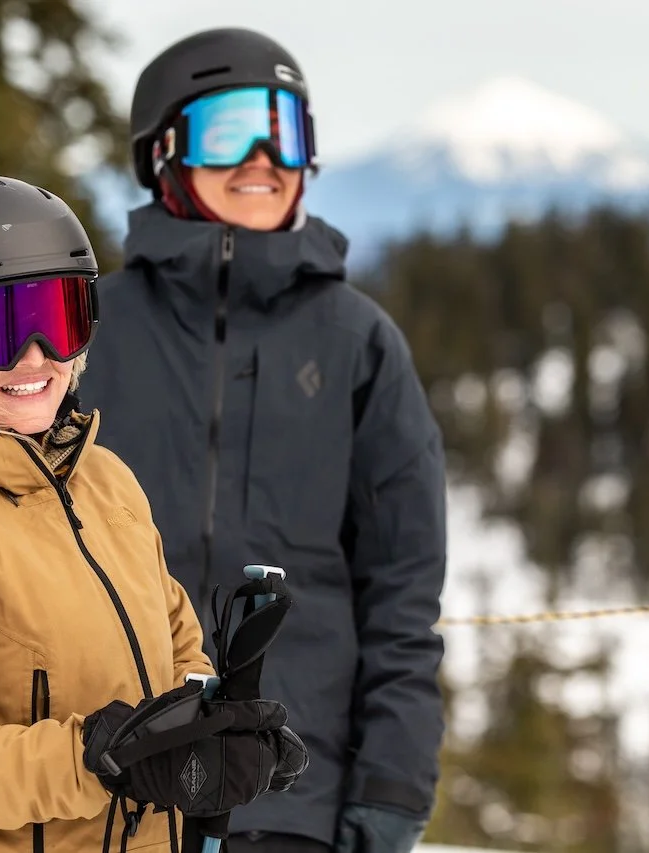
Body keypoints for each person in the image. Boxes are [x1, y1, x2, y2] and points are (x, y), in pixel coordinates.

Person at [0, 175, 303, 853]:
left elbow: (178, 661)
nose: (35, 355)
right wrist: (104, 758)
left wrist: (216, 732)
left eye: (58, 317)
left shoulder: (103, 481)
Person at [77, 27, 448, 853]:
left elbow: (404, 593)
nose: (261, 156)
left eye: (285, 129)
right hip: (109, 787)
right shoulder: (85, 335)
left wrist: (392, 781)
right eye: (228, 129)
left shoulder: (358, 343)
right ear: (164, 152)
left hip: (294, 801)